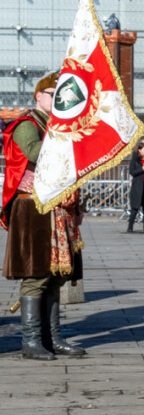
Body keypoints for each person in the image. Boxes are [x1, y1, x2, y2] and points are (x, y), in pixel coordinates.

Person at [2, 73, 88, 361]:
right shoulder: (26, 125)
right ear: (38, 95)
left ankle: (53, 339)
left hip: (57, 209)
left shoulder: (58, 127)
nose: (56, 99)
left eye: (59, 95)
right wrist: (72, 144)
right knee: (36, 273)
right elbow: (36, 152)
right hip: (32, 209)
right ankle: (31, 341)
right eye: (52, 93)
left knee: (55, 277)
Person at [127, 141, 144, 232]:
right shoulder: (135, 160)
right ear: (139, 151)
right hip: (138, 187)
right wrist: (141, 169)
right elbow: (132, 172)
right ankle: (130, 227)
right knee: (135, 207)